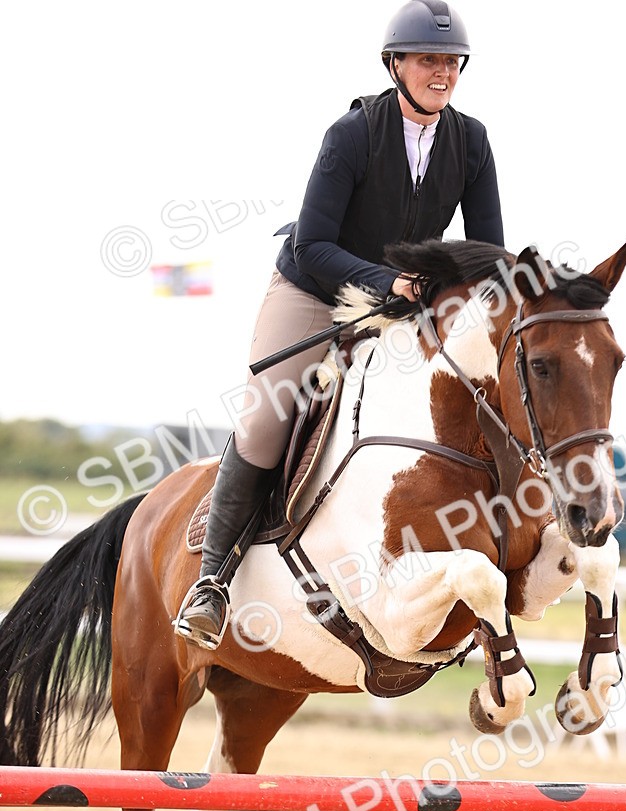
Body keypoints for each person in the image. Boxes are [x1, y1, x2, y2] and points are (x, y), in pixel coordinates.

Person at [175, 0, 504, 649]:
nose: (441, 72)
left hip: (400, 305)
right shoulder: (351, 135)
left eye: (451, 62)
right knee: (270, 417)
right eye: (428, 59)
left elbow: (488, 249)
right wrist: (390, 282)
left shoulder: (471, 141)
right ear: (397, 65)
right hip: (314, 288)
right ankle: (211, 581)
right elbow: (313, 246)